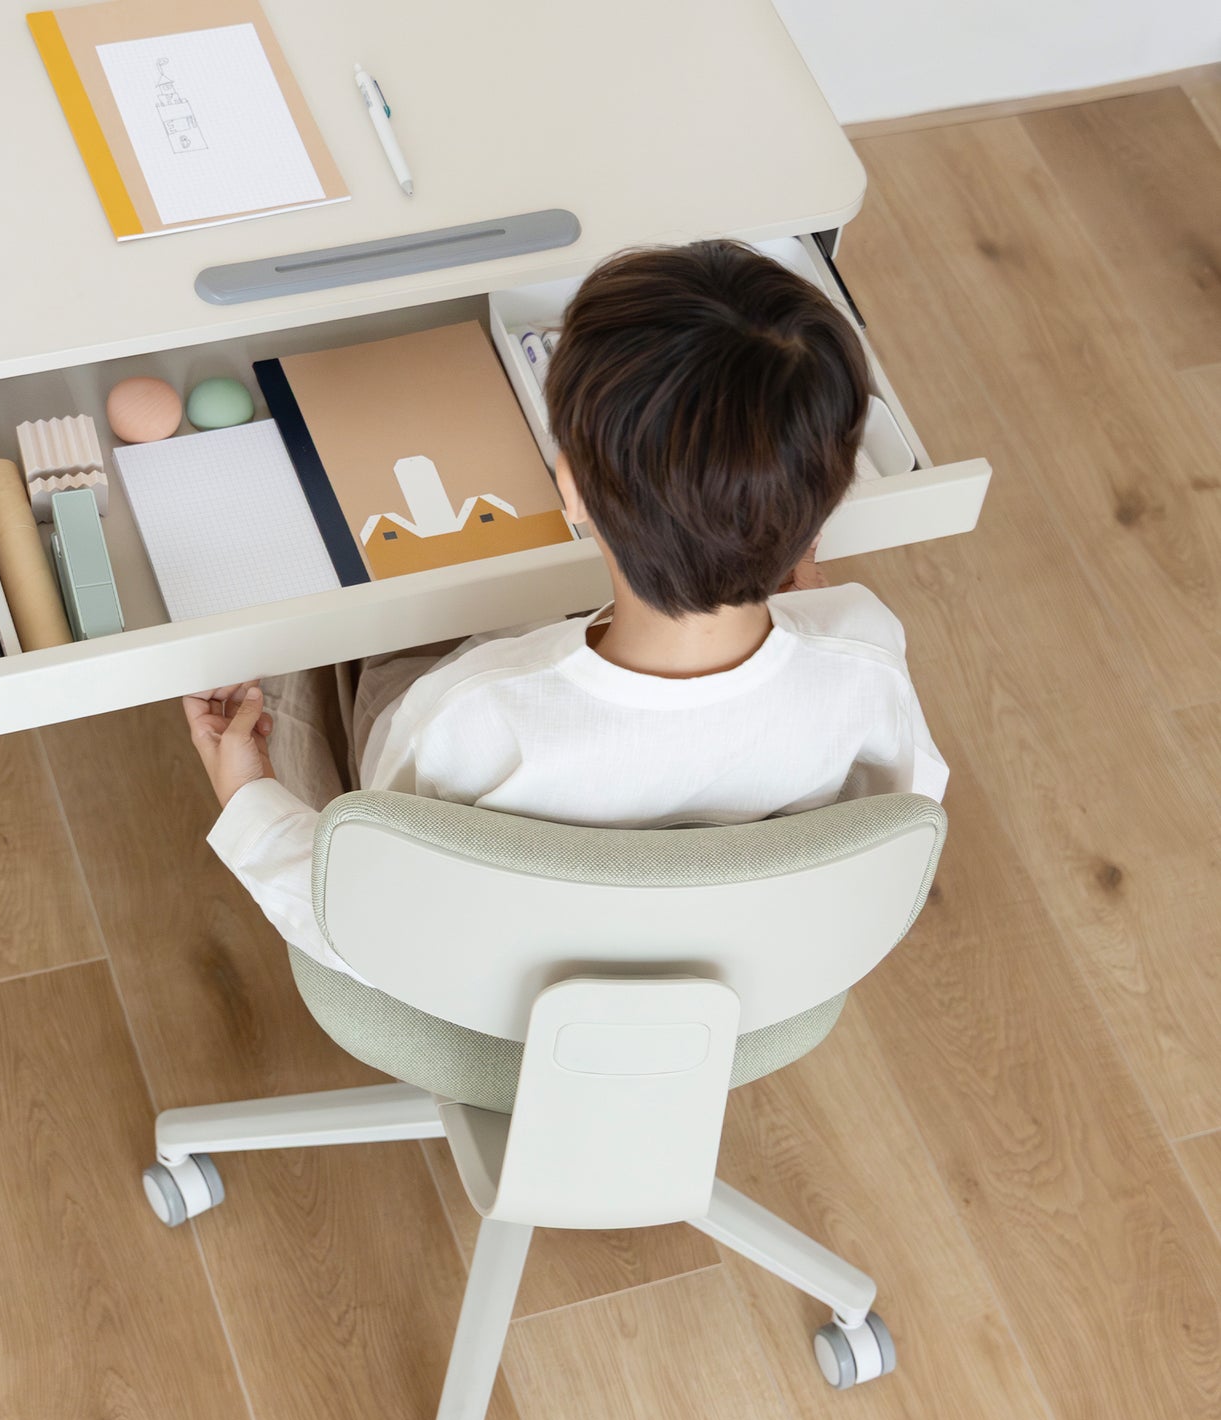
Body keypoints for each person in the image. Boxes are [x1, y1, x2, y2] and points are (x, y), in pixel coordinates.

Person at [184, 240, 948, 982]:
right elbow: (892, 826)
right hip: (735, 976)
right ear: (822, 507)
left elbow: (361, 922)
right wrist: (817, 619)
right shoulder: (865, 654)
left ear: (571, 486)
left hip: (480, 985)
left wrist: (246, 796)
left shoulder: (465, 712)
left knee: (346, 639)